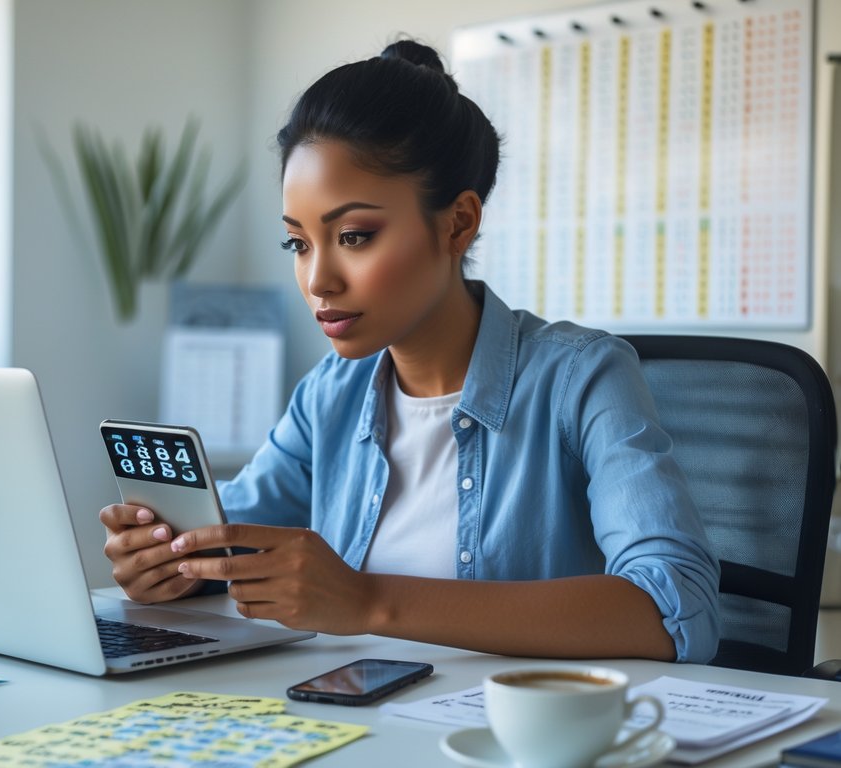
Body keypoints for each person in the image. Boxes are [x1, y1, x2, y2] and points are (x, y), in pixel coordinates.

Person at [100, 39, 721, 663]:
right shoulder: (329, 395)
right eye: (299, 244)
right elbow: (226, 538)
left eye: (353, 236)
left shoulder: (582, 378)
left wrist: (369, 600)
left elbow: (676, 609)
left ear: (457, 224)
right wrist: (169, 562)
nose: (318, 280)